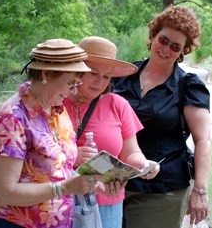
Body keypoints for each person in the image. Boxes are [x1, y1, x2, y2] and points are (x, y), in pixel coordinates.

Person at [0, 38, 107, 228]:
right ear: (46, 74)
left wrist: (88, 183)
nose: (73, 92)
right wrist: (65, 188)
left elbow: (58, 170)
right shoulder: (12, 118)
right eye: (70, 83)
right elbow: (4, 192)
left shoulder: (58, 110)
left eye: (77, 83)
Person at [112, 5, 211, 228]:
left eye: (176, 46)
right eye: (164, 40)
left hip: (161, 190)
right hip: (114, 183)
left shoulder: (189, 86)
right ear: (154, 34)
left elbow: (203, 139)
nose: (166, 49)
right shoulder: (122, 76)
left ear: (183, 51)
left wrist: (201, 190)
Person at [63, 36, 160, 228]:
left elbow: (130, 152)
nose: (99, 82)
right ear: (77, 69)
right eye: (93, 73)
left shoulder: (118, 105)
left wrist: (144, 165)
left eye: (106, 76)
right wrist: (71, 155)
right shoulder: (56, 100)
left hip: (107, 200)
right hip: (59, 198)